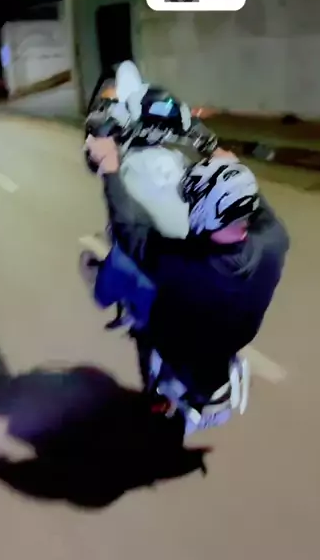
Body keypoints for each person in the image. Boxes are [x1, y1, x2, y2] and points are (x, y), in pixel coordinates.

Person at [84, 133, 290, 403]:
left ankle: (105, 296)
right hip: (232, 340)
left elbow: (127, 229)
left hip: (180, 349)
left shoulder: (182, 263)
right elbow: (259, 207)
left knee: (125, 263)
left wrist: (110, 169)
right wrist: (232, 172)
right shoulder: (274, 240)